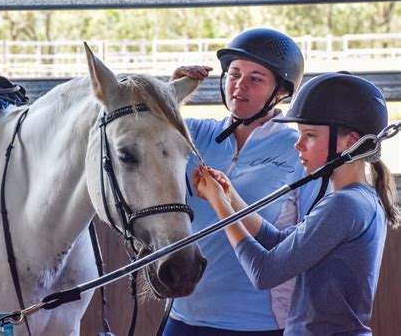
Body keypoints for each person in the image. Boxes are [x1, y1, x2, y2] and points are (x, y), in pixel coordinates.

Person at [192, 72, 400, 335]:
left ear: (350, 143)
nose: (298, 145)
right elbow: (277, 240)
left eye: (310, 135)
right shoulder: (359, 199)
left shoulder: (344, 206)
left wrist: (219, 205)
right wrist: (230, 195)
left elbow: (265, 273)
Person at [163, 28, 321, 335]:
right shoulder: (194, 134)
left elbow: (300, 243)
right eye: (234, 74)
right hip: (182, 318)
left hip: (255, 325)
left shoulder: (298, 150)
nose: (239, 86)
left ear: (281, 93)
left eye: (255, 79)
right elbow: (140, 132)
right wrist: (170, 95)